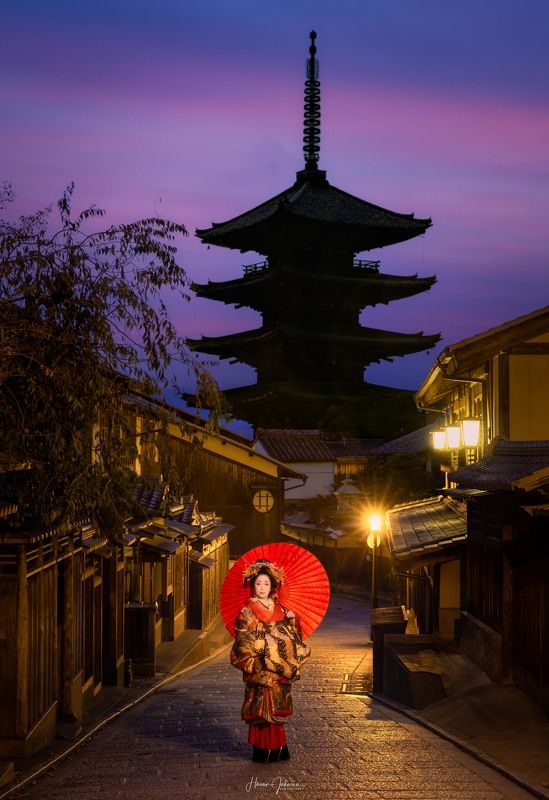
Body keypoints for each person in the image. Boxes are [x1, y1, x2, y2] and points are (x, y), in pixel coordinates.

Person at [230, 559, 311, 763]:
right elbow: (242, 638)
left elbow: (292, 637)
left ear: (273, 586)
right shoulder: (246, 611)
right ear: (252, 585)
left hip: (279, 667)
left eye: (266, 584)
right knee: (261, 709)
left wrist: (292, 622)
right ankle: (262, 748)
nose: (262, 588)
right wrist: (260, 643)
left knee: (277, 707)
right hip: (260, 666)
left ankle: (279, 747)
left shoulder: (281, 608)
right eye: (258, 583)